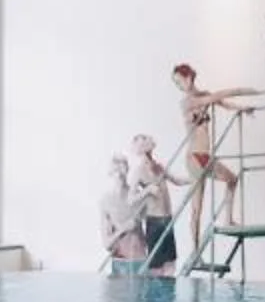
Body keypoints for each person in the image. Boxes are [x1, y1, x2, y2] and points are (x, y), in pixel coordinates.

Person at [171, 63, 243, 259]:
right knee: (197, 207)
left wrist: (242, 109)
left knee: (232, 179)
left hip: (206, 155)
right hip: (194, 157)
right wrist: (240, 90)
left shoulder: (203, 95)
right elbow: (216, 97)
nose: (181, 85)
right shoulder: (186, 102)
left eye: (181, 80)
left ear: (189, 76)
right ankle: (195, 252)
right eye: (177, 84)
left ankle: (228, 218)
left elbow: (224, 104)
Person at [129, 132, 182, 275]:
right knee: (156, 267)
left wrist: (196, 178)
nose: (149, 140)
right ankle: (155, 296)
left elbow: (177, 181)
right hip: (155, 221)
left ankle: (168, 296)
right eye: (144, 141)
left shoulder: (159, 166)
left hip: (167, 219)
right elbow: (131, 199)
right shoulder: (138, 171)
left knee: (171, 263)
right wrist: (147, 190)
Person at [99, 152, 148, 268]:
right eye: (116, 170)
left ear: (127, 170)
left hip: (140, 261)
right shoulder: (106, 201)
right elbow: (106, 244)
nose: (120, 173)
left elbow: (155, 229)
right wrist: (123, 229)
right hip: (119, 263)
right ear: (110, 173)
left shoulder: (138, 196)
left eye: (122, 168)